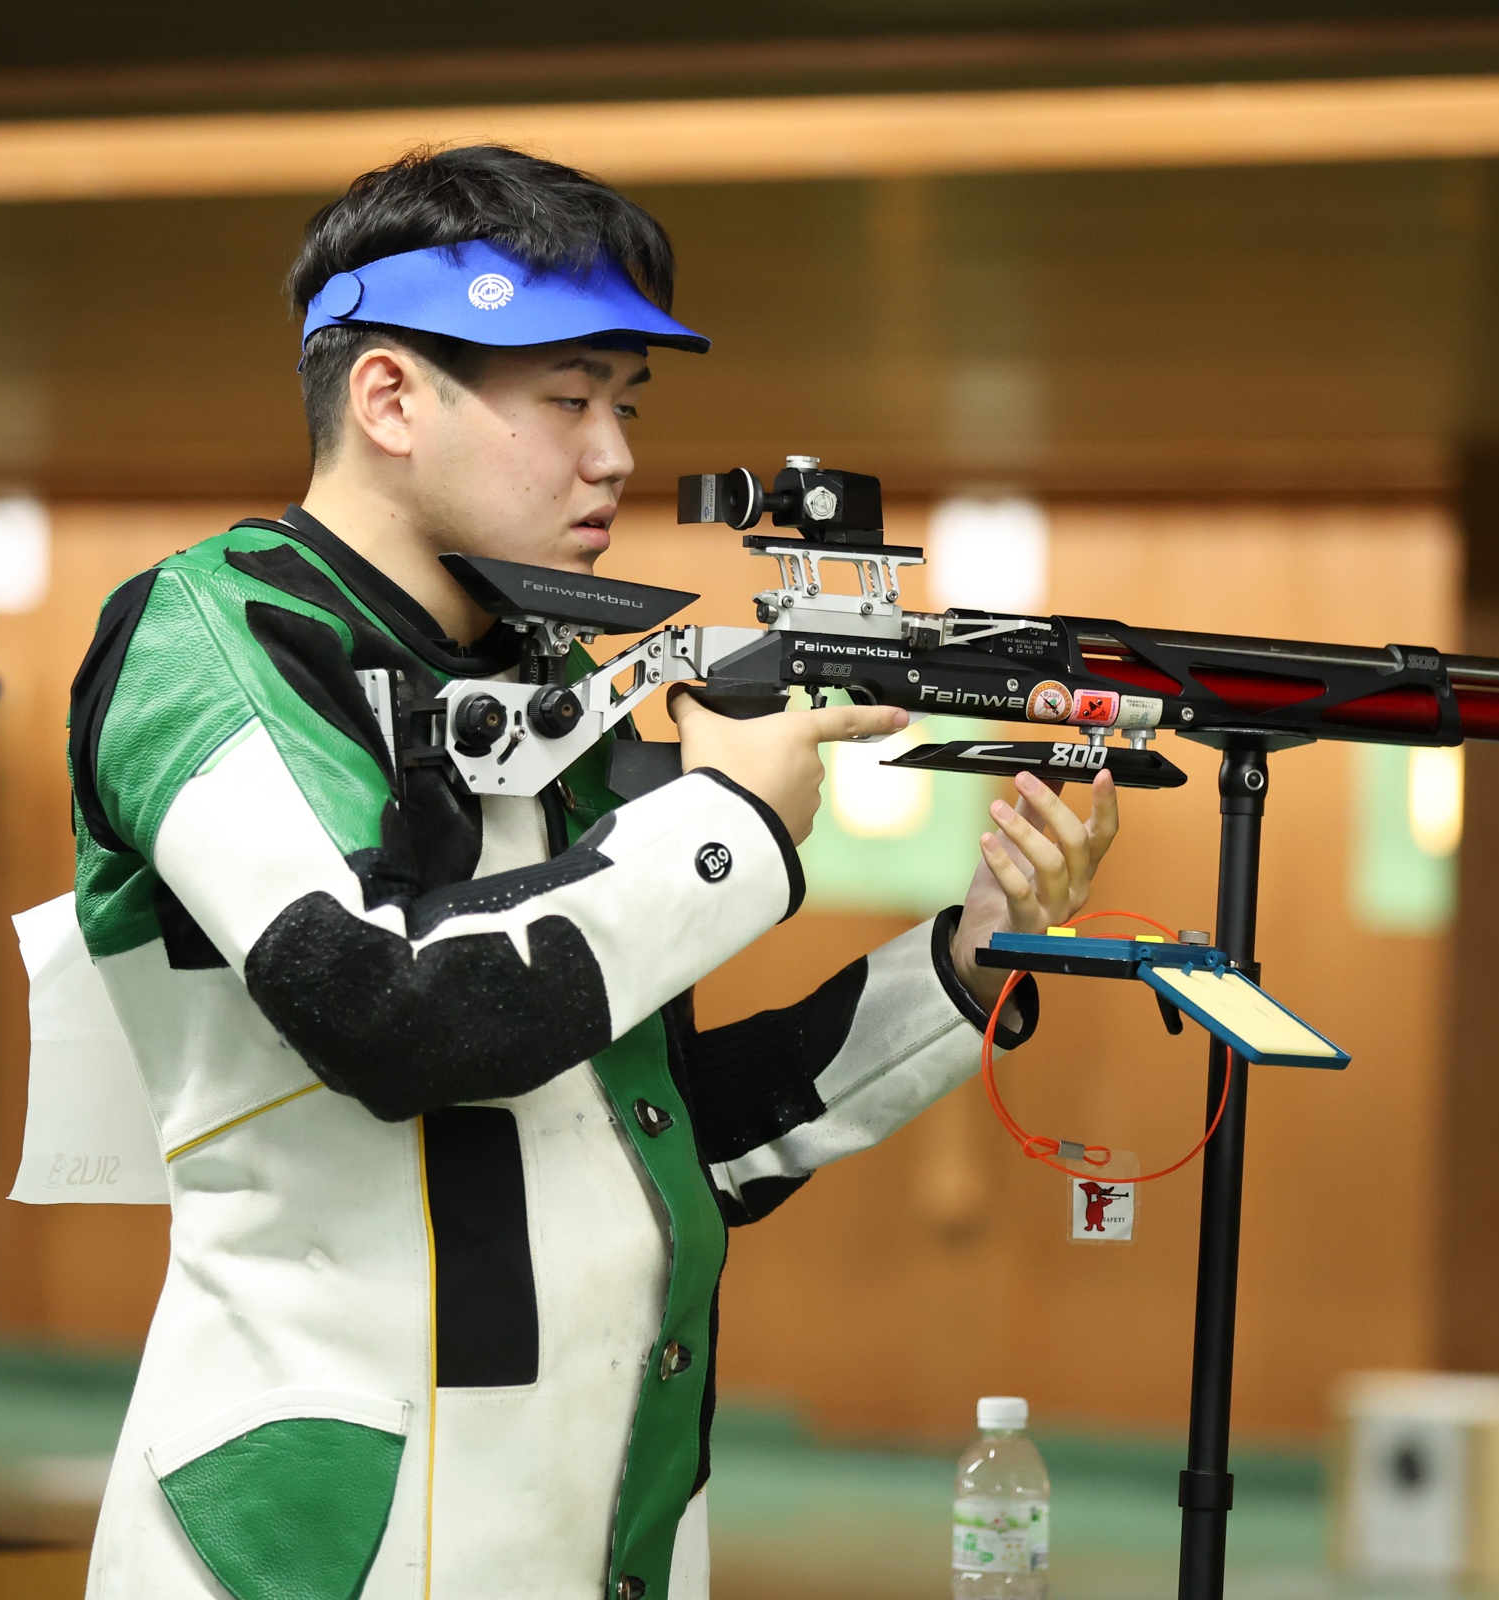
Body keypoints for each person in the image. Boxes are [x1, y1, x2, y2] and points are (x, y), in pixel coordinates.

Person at [69, 143, 1119, 1600]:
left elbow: (653, 1131)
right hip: (324, 1549)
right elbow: (396, 1009)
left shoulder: (559, 692)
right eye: (568, 400)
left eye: (625, 404)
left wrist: (963, 964)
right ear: (388, 398)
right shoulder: (212, 637)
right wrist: (724, 827)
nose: (616, 455)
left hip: (595, 1528)